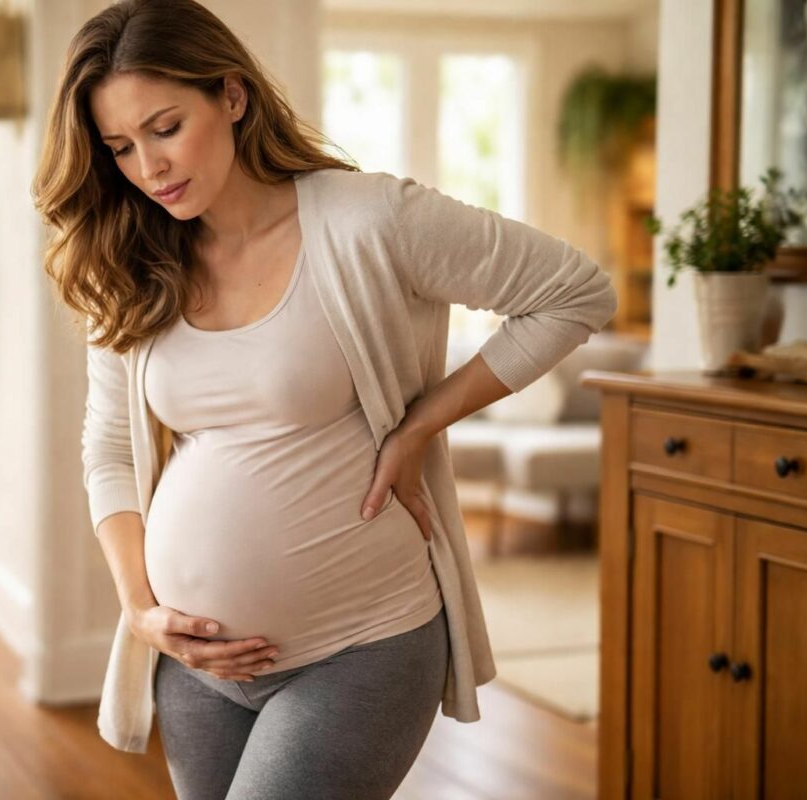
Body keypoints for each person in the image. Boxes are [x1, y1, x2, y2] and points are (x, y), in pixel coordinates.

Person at [31, 1, 618, 797]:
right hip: (195, 668)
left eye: (166, 127)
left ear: (231, 96)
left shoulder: (368, 219)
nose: (150, 167)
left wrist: (422, 423)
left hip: (359, 647)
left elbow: (574, 292)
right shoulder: (137, 258)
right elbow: (107, 446)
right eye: (122, 148)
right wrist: (142, 610)